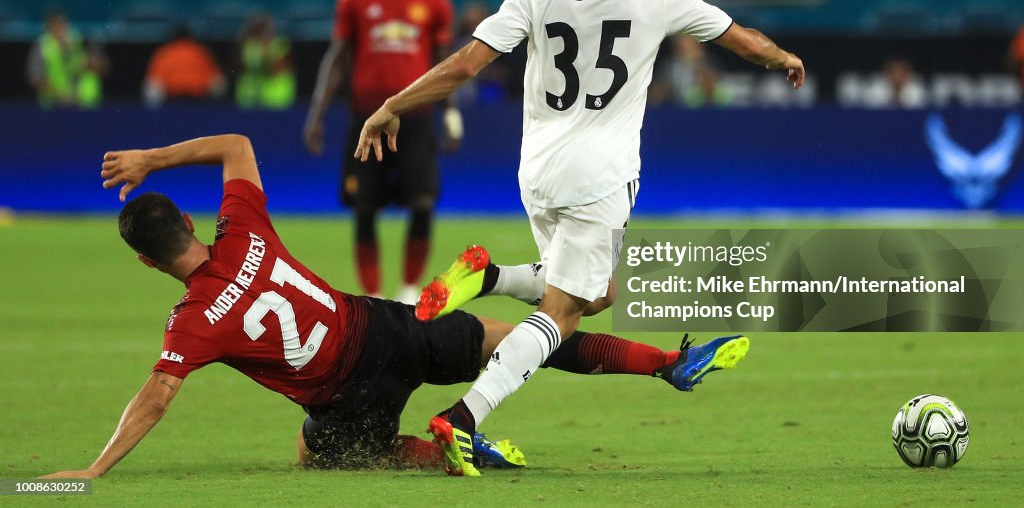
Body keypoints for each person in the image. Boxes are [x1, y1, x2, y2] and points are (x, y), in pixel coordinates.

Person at [354, 0, 803, 476]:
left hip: (537, 174)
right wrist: (782, 56)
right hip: (600, 178)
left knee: (598, 297)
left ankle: (490, 277)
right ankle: (461, 420)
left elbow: (464, 66)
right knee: (561, 315)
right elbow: (742, 42)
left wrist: (390, 106)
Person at [39, 133, 746, 479]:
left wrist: (93, 470)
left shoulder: (192, 320)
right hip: (388, 324)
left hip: (348, 391)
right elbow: (237, 144)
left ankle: (454, 453)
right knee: (538, 338)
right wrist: (151, 161)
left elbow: (158, 396)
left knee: (321, 453)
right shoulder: (242, 225)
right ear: (190, 225)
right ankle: (669, 362)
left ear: (145, 261)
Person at [303, 0, 461, 304]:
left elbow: (445, 63)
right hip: (366, 122)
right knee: (364, 207)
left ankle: (408, 293)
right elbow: (337, 57)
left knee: (422, 204)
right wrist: (317, 114)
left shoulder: (434, 0)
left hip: (417, 119)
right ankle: (373, 297)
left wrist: (452, 114)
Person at [25, 9, 106, 108]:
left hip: (87, 105)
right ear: (49, 27)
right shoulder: (41, 47)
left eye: (62, 25)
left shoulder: (79, 39)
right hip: (55, 108)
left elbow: (102, 68)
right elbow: (35, 79)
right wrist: (61, 97)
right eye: (55, 26)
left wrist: (94, 65)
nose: (60, 29)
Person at [143, 25, 226, 107]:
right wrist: (216, 104)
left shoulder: (164, 53)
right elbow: (217, 82)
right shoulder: (201, 51)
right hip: (199, 103)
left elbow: (153, 85)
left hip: (171, 104)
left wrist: (154, 109)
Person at [234, 13, 295, 109]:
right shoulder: (248, 45)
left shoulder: (280, 43)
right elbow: (239, 67)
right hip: (251, 97)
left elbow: (277, 68)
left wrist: (265, 49)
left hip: (277, 97)